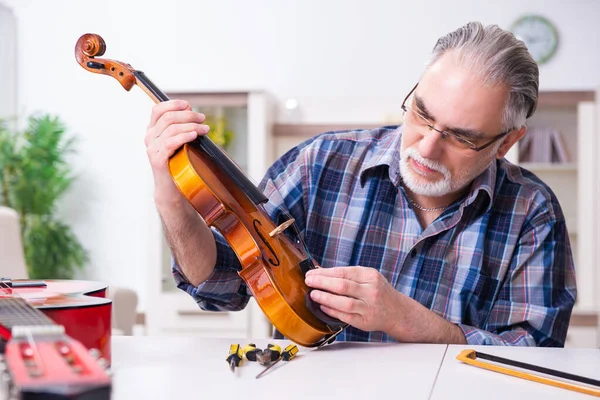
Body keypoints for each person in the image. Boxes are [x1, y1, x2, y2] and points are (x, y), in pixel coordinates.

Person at [144, 21, 577, 346]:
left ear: (506, 143)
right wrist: (172, 199)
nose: (426, 148)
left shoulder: (531, 211)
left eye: (462, 137)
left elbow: (533, 357)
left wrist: (411, 321)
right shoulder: (319, 163)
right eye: (422, 114)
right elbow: (222, 287)